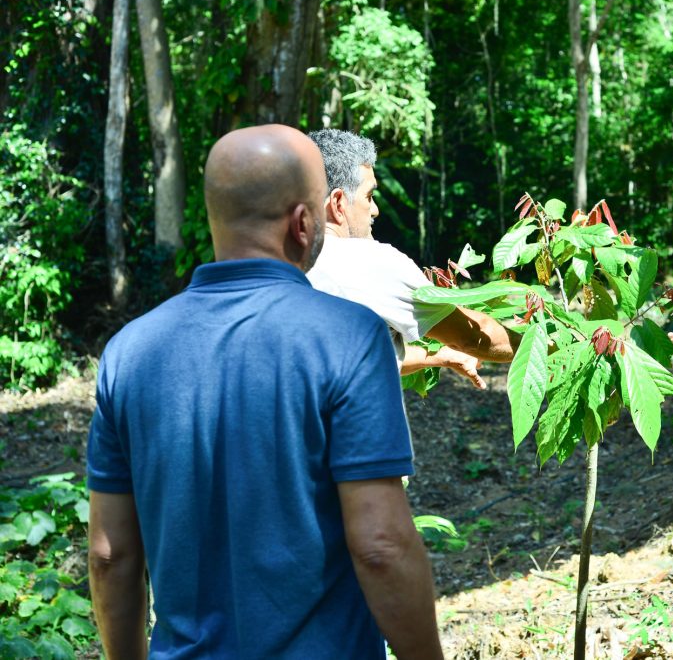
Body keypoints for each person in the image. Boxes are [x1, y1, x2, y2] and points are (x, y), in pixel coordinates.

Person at [86, 124, 444, 659]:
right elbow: (381, 547)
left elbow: (109, 556)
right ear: (304, 222)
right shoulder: (348, 337)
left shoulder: (129, 352)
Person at [305, 129, 518, 391]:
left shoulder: (279, 261)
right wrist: (548, 346)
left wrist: (439, 357)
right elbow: (473, 336)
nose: (375, 210)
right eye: (369, 197)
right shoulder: (372, 263)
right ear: (338, 202)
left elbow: (354, 358)